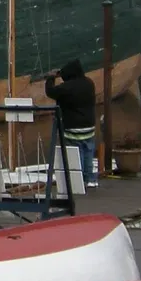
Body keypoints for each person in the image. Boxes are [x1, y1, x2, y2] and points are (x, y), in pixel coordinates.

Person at [45, 59, 99, 188]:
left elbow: (51, 92)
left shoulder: (67, 88)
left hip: (73, 128)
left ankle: (79, 181)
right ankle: (90, 179)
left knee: (76, 155)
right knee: (88, 153)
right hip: (89, 127)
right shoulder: (89, 83)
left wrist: (51, 78)